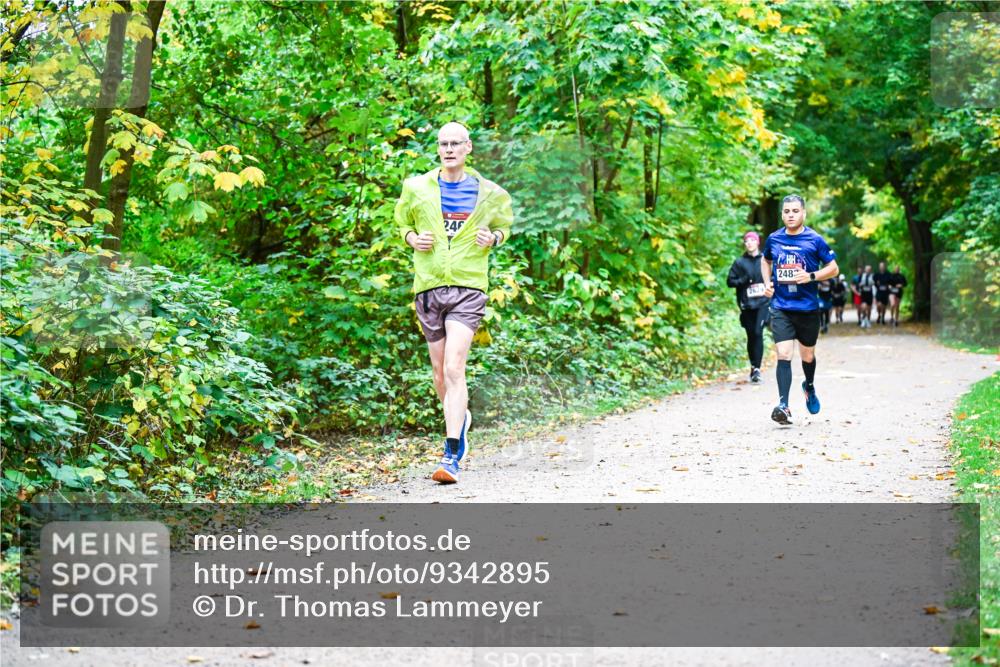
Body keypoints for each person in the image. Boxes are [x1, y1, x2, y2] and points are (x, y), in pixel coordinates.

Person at [394, 121, 514, 484]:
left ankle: (451, 456)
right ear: (438, 149)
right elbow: (401, 224)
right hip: (429, 286)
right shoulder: (415, 188)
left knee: (453, 367)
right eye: (443, 143)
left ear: (468, 148)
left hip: (468, 287)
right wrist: (412, 238)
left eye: (455, 143)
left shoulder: (490, 193)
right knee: (438, 374)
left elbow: (504, 227)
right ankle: (459, 421)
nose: (448, 149)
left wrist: (493, 236)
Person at [761, 194, 839, 425]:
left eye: (795, 211)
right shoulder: (773, 239)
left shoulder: (815, 239)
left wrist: (811, 276)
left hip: (807, 308)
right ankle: (783, 405)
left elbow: (833, 268)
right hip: (781, 307)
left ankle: (809, 385)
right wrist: (767, 283)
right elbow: (765, 261)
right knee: (784, 354)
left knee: (808, 356)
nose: (791, 215)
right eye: (787, 211)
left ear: (803, 213)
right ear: (782, 214)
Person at [726, 231, 771, 384]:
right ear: (745, 244)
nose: (749, 243)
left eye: (752, 240)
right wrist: (743, 280)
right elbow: (730, 282)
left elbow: (775, 278)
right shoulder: (739, 263)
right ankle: (753, 366)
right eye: (747, 241)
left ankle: (757, 368)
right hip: (747, 305)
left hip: (763, 303)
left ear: (758, 242)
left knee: (758, 332)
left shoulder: (766, 260)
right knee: (751, 335)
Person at [856, 264, 875, 328]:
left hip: (869, 294)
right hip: (863, 293)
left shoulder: (873, 276)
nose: (868, 270)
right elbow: (857, 285)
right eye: (867, 269)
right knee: (863, 307)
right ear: (865, 270)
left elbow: (875, 285)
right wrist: (860, 286)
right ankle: (864, 319)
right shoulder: (862, 276)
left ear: (870, 270)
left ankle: (868, 321)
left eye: (869, 269)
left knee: (869, 309)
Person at [873, 261, 892, 325]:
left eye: (883, 266)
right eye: (880, 266)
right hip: (879, 292)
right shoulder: (876, 274)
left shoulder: (888, 274)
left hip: (885, 292)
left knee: (884, 306)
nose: (882, 267)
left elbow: (891, 282)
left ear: (884, 267)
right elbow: (873, 282)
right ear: (879, 267)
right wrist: (876, 283)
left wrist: (889, 285)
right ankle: (879, 315)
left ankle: (883, 318)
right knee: (879, 305)